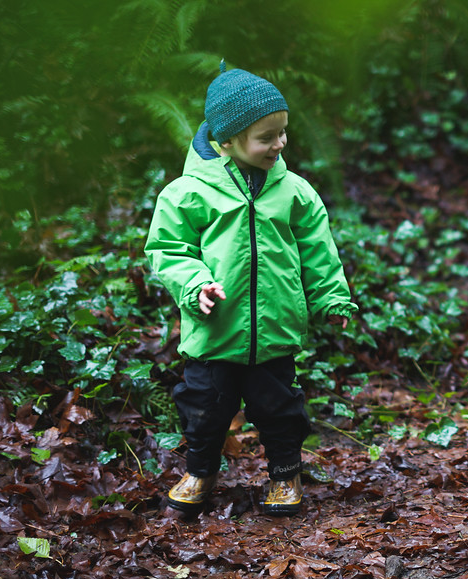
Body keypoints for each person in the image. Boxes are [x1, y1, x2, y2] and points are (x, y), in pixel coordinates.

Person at [145, 61, 357, 515]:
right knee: (204, 409)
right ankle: (200, 471)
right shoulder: (187, 193)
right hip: (215, 329)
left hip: (275, 328)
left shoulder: (294, 191)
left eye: (283, 132)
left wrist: (331, 296)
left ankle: (284, 474)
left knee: (281, 409)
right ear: (227, 141)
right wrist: (195, 283)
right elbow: (168, 249)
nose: (279, 144)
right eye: (267, 137)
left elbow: (318, 249)